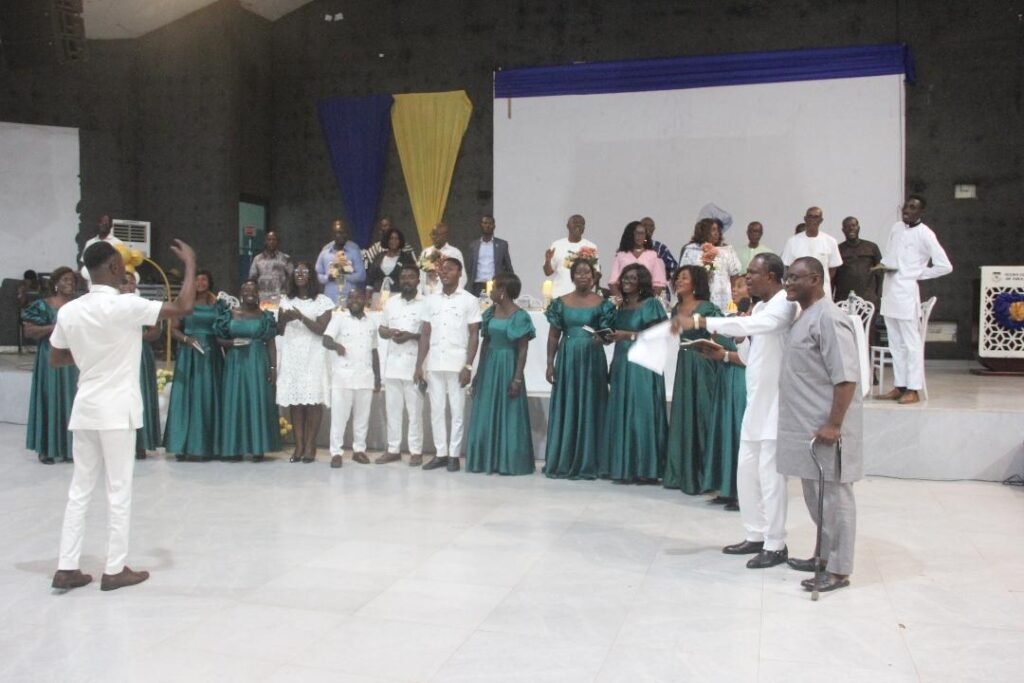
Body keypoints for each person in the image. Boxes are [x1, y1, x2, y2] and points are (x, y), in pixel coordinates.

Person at [49, 238, 197, 592]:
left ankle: (66, 567)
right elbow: (183, 306)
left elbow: (56, 358)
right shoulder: (125, 305)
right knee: (118, 490)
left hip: (85, 409)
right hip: (116, 411)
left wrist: (89, 357)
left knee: (79, 490)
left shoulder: (69, 311)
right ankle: (115, 569)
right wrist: (190, 264)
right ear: (114, 268)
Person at [672, 252, 798, 570]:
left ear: (771, 276)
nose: (747, 278)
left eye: (753, 273)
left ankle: (776, 543)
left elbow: (760, 326)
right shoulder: (759, 305)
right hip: (756, 403)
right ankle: (755, 534)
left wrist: (703, 321)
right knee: (747, 471)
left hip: (776, 405)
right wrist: (723, 353)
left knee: (771, 477)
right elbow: (750, 348)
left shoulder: (785, 303)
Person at [778, 256, 863, 594]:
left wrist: (834, 423)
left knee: (835, 499)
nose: (787, 283)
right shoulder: (805, 316)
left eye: (794, 278)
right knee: (816, 497)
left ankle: (839, 570)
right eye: (786, 277)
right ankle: (823, 557)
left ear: (815, 279)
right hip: (806, 425)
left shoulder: (828, 318)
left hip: (826, 429)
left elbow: (846, 378)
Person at [663, 266, 730, 500]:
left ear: (696, 283)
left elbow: (720, 332)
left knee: (703, 415)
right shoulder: (675, 309)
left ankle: (706, 475)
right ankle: (683, 473)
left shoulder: (707, 307)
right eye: (677, 277)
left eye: (684, 277)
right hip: (685, 363)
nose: (679, 280)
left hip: (702, 363)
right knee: (684, 416)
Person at [544, 259, 614, 479]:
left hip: (592, 357)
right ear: (572, 276)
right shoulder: (560, 302)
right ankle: (565, 459)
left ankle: (591, 461)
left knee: (592, 404)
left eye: (587, 273)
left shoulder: (604, 304)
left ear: (593, 277)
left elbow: (609, 335)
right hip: (567, 357)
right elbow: (554, 334)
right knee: (569, 403)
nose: (583, 276)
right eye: (579, 273)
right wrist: (549, 362)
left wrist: (601, 338)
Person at [879, 195, 953, 405]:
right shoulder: (896, 228)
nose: (907, 210)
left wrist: (917, 273)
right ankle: (900, 385)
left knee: (911, 344)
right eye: (906, 206)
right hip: (889, 290)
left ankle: (914, 388)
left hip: (906, 293)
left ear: (921, 212)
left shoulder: (925, 234)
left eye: (912, 208)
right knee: (895, 343)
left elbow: (945, 266)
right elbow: (890, 255)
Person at [600, 264, 668, 483]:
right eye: (625, 277)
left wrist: (627, 335)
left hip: (642, 364)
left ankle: (645, 468)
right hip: (622, 362)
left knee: (641, 412)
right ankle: (624, 466)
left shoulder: (651, 304)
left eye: (632, 278)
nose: (627, 281)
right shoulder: (621, 307)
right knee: (623, 412)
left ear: (642, 282)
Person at [415, 258, 481, 472]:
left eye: (450, 269)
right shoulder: (430, 300)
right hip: (435, 362)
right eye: (442, 270)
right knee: (436, 410)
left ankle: (454, 455)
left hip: (457, 363)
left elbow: (474, 335)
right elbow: (425, 333)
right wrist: (419, 365)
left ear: (459, 273)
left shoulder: (469, 300)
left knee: (457, 410)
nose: (444, 273)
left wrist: (468, 366)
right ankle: (440, 453)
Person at [466, 273, 535, 475]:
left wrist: (517, 378)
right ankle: (486, 459)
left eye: (494, 287)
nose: (491, 291)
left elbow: (523, 349)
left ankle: (509, 461)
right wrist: (478, 373)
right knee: (486, 410)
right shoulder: (489, 313)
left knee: (509, 411)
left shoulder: (520, 316)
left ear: (502, 291)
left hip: (508, 365)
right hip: (490, 365)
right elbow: (485, 342)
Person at [215, 280, 280, 462]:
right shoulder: (229, 314)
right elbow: (219, 338)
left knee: (256, 399)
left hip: (257, 360)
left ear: (258, 293)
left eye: (253, 289)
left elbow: (271, 342)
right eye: (246, 289)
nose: (250, 292)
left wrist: (273, 367)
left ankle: (257, 447)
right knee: (235, 399)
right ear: (240, 293)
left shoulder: (265, 316)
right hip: (235, 361)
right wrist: (231, 343)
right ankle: (234, 447)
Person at [276, 262, 334, 463]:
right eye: (297, 271)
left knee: (312, 401)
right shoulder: (285, 300)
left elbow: (321, 329)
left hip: (314, 354)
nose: (300, 274)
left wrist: (300, 317)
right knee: (296, 401)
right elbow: (280, 330)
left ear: (311, 276)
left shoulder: (322, 301)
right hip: (293, 352)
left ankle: (311, 445)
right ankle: (298, 445)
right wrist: (283, 319)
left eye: (304, 271)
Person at [164, 270, 224, 462]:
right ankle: (182, 445)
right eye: (196, 279)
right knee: (186, 397)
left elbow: (224, 328)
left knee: (207, 397)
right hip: (189, 354)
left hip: (211, 354)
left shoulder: (217, 303)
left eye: (204, 279)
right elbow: (173, 329)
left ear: (210, 282)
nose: (200, 282)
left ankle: (207, 446)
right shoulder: (184, 303)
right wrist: (186, 339)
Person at [22, 266, 79, 464]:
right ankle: (46, 448)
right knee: (50, 397)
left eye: (72, 280)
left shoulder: (78, 306)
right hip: (50, 356)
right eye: (65, 279)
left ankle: (68, 448)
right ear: (55, 283)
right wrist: (55, 327)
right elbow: (30, 332)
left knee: (71, 400)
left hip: (73, 358)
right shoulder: (43, 306)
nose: (69, 283)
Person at [323, 288, 381, 468]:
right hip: (343, 377)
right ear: (347, 301)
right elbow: (325, 340)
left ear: (365, 300)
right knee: (339, 417)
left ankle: (359, 450)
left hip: (364, 376)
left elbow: (374, 350)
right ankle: (336, 452)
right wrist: (336, 345)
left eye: (358, 297)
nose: (354, 300)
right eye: (351, 297)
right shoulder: (339, 319)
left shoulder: (371, 322)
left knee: (362, 418)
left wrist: (377, 378)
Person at [377, 264, 426, 465]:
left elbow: (429, 334)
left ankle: (416, 451)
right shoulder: (391, 303)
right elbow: (381, 329)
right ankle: (393, 449)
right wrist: (390, 333)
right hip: (393, 365)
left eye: (411, 277)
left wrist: (411, 336)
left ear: (418, 280)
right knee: (393, 410)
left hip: (415, 365)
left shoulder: (426, 303)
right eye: (404, 277)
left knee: (414, 411)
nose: (407, 280)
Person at [119, 273, 162, 460]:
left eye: (132, 282)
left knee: (141, 395)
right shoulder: (110, 305)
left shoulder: (142, 305)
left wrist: (135, 338)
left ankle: (140, 443)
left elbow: (155, 331)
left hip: (140, 354)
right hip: (117, 354)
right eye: (125, 282)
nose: (129, 285)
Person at [678, 217, 742, 312]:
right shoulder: (691, 250)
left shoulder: (727, 250)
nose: (716, 233)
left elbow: (734, 275)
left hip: (724, 297)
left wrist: (734, 297)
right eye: (713, 230)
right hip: (699, 298)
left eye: (718, 230)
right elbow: (684, 274)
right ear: (703, 231)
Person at [781, 207, 842, 296]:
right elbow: (787, 267)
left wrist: (819, 282)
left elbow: (832, 269)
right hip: (799, 292)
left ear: (821, 220)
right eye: (810, 217)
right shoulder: (792, 242)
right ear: (805, 219)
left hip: (822, 291)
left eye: (816, 217)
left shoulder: (830, 241)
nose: (813, 220)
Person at [543, 214, 600, 299]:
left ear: (584, 228)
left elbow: (596, 273)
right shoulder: (557, 245)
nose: (578, 225)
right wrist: (548, 260)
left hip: (583, 298)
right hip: (560, 296)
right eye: (575, 222)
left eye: (581, 224)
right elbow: (547, 272)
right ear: (567, 226)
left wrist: (586, 290)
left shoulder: (591, 247)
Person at [608, 221, 667, 298]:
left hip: (647, 300)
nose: (639, 236)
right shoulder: (621, 255)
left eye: (642, 233)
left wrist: (650, 302)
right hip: (625, 301)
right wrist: (620, 299)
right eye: (636, 233)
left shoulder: (653, 255)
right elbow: (612, 282)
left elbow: (659, 284)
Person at [834, 216, 883, 305]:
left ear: (858, 228)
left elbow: (880, 273)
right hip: (844, 299)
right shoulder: (838, 249)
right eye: (847, 226)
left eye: (853, 225)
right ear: (843, 230)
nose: (851, 228)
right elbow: (833, 276)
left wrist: (879, 295)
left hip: (869, 299)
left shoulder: (871, 247)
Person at [316, 218, 367, 303]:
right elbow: (317, 275)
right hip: (329, 299)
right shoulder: (325, 252)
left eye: (345, 232)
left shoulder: (354, 251)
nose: (343, 235)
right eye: (339, 232)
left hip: (349, 299)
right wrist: (328, 277)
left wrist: (344, 273)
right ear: (332, 234)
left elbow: (362, 276)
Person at [466, 215, 515, 296]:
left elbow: (508, 267)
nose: (487, 225)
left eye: (490, 223)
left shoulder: (502, 244)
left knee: (494, 308)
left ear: (494, 226)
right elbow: (469, 268)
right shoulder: (473, 245)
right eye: (485, 223)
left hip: (494, 284)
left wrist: (510, 285)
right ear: (480, 225)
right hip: (477, 285)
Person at [248, 230, 292, 306]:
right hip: (262, 297)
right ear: (265, 241)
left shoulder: (285, 258)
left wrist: (288, 293)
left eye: (274, 239)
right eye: (269, 239)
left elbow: (292, 277)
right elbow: (252, 279)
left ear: (278, 242)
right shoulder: (257, 259)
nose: (271, 242)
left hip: (280, 298)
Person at [366, 227, 418, 294]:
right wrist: (368, 296)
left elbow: (413, 276)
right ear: (387, 240)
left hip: (399, 295)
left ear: (400, 241)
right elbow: (370, 279)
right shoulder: (379, 257)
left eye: (396, 239)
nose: (394, 241)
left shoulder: (406, 258)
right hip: (378, 295)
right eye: (391, 238)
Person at [79, 215, 125, 282]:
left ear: (111, 225)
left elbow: (121, 265)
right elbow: (84, 264)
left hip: (110, 284)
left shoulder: (118, 243)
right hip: (92, 284)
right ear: (98, 224)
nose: (103, 224)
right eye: (101, 222)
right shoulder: (90, 243)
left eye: (106, 223)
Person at [641, 216, 678, 286]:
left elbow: (674, 267)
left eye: (651, 226)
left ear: (654, 229)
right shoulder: (629, 248)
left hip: (658, 290)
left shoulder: (660, 248)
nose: (648, 228)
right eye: (645, 225)